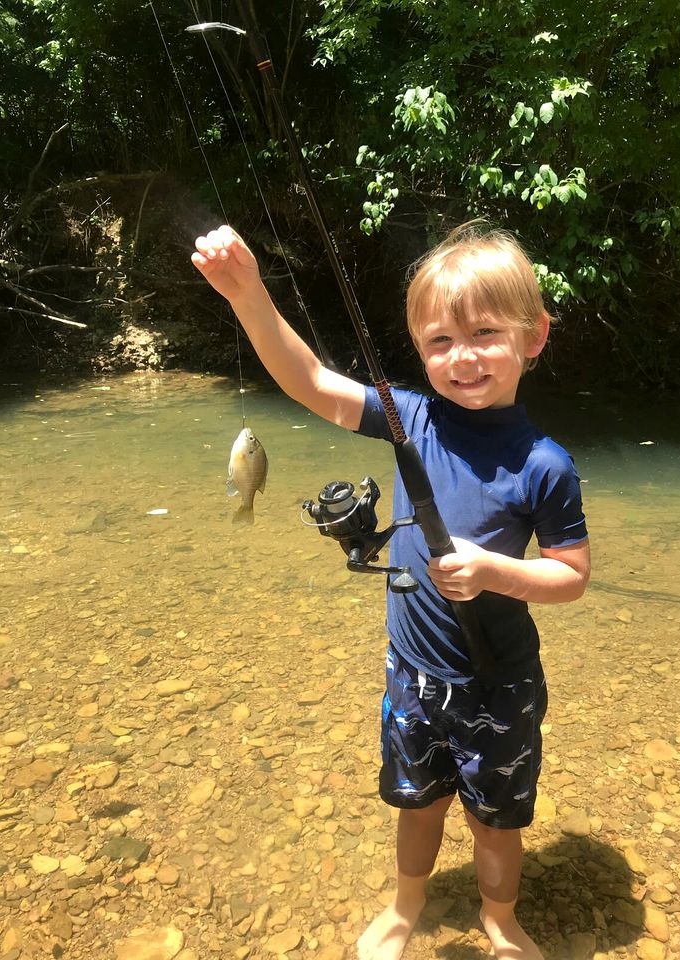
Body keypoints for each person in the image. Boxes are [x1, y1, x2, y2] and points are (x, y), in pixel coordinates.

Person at [192, 222, 590, 960]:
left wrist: (494, 571)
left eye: (484, 334)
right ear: (419, 351)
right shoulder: (411, 419)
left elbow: (571, 575)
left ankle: (500, 918)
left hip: (499, 684)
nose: (461, 357)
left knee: (497, 820)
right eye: (439, 342)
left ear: (534, 338)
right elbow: (309, 381)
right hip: (413, 675)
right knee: (417, 802)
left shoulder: (545, 465)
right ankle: (406, 905)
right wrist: (248, 296)